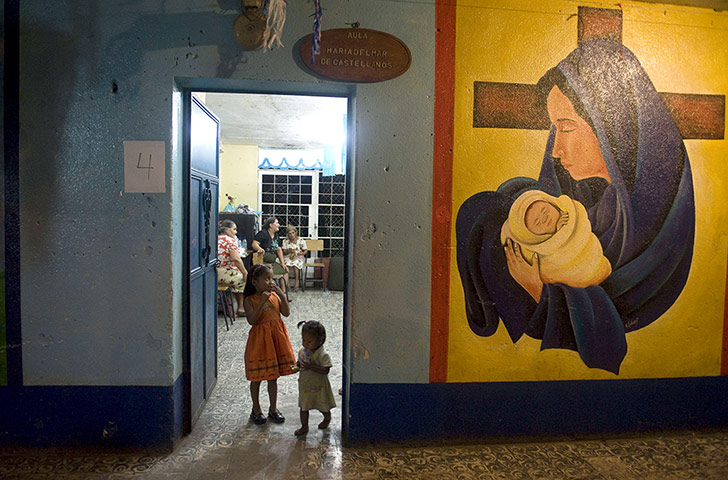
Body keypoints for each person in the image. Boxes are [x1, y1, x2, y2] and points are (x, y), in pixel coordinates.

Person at [456, 38, 694, 374]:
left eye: (566, 128)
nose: (555, 149)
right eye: (555, 130)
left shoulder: (653, 227)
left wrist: (538, 289)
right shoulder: (592, 207)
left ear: (613, 129)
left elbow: (607, 314)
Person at [500, 190, 611, 288]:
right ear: (532, 237)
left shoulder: (574, 215)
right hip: (578, 289)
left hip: (601, 267)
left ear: (552, 203)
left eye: (545, 210)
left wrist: (564, 230)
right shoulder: (540, 254)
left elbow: (583, 234)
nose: (544, 218)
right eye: (537, 223)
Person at [242, 264, 296, 425]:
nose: (270, 282)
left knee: (273, 377)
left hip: (276, 340)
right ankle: (256, 409)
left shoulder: (274, 296)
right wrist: (262, 301)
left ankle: (273, 408)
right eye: (266, 279)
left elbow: (286, 313)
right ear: (254, 282)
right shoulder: (249, 300)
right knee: (257, 378)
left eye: (271, 278)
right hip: (260, 343)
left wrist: (281, 294)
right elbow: (252, 320)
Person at [293, 320, 336, 436]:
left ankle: (327, 419)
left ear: (320, 340)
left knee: (323, 406)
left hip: (319, 387)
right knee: (304, 407)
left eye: (309, 341)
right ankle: (304, 426)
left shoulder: (323, 355)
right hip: (305, 385)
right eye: (303, 340)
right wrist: (297, 365)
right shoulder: (303, 351)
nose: (305, 344)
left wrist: (311, 367)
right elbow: (300, 362)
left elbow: (326, 370)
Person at [252, 217, 291, 298]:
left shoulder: (276, 236)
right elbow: (254, 244)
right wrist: (260, 249)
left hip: (272, 262)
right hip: (263, 262)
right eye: (277, 223)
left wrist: (282, 263)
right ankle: (271, 294)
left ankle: (283, 293)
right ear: (270, 225)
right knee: (270, 274)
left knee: (285, 271)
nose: (279, 225)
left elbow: (279, 249)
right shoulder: (263, 233)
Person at [217, 219, 248, 317]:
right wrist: (244, 272)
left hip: (214, 273)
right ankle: (241, 307)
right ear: (227, 230)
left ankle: (227, 306)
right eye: (234, 229)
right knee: (244, 279)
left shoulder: (214, 239)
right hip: (224, 274)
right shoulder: (230, 241)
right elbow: (236, 259)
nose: (236, 232)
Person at [282, 226, 307, 292]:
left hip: (298, 257)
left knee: (295, 265)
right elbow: (283, 252)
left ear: (296, 233)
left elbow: (305, 250)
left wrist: (301, 253)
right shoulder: (285, 241)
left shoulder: (301, 240)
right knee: (286, 265)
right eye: (290, 233)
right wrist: (289, 251)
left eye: (293, 233)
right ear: (288, 234)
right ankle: (287, 284)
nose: (292, 235)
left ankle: (296, 281)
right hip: (288, 256)